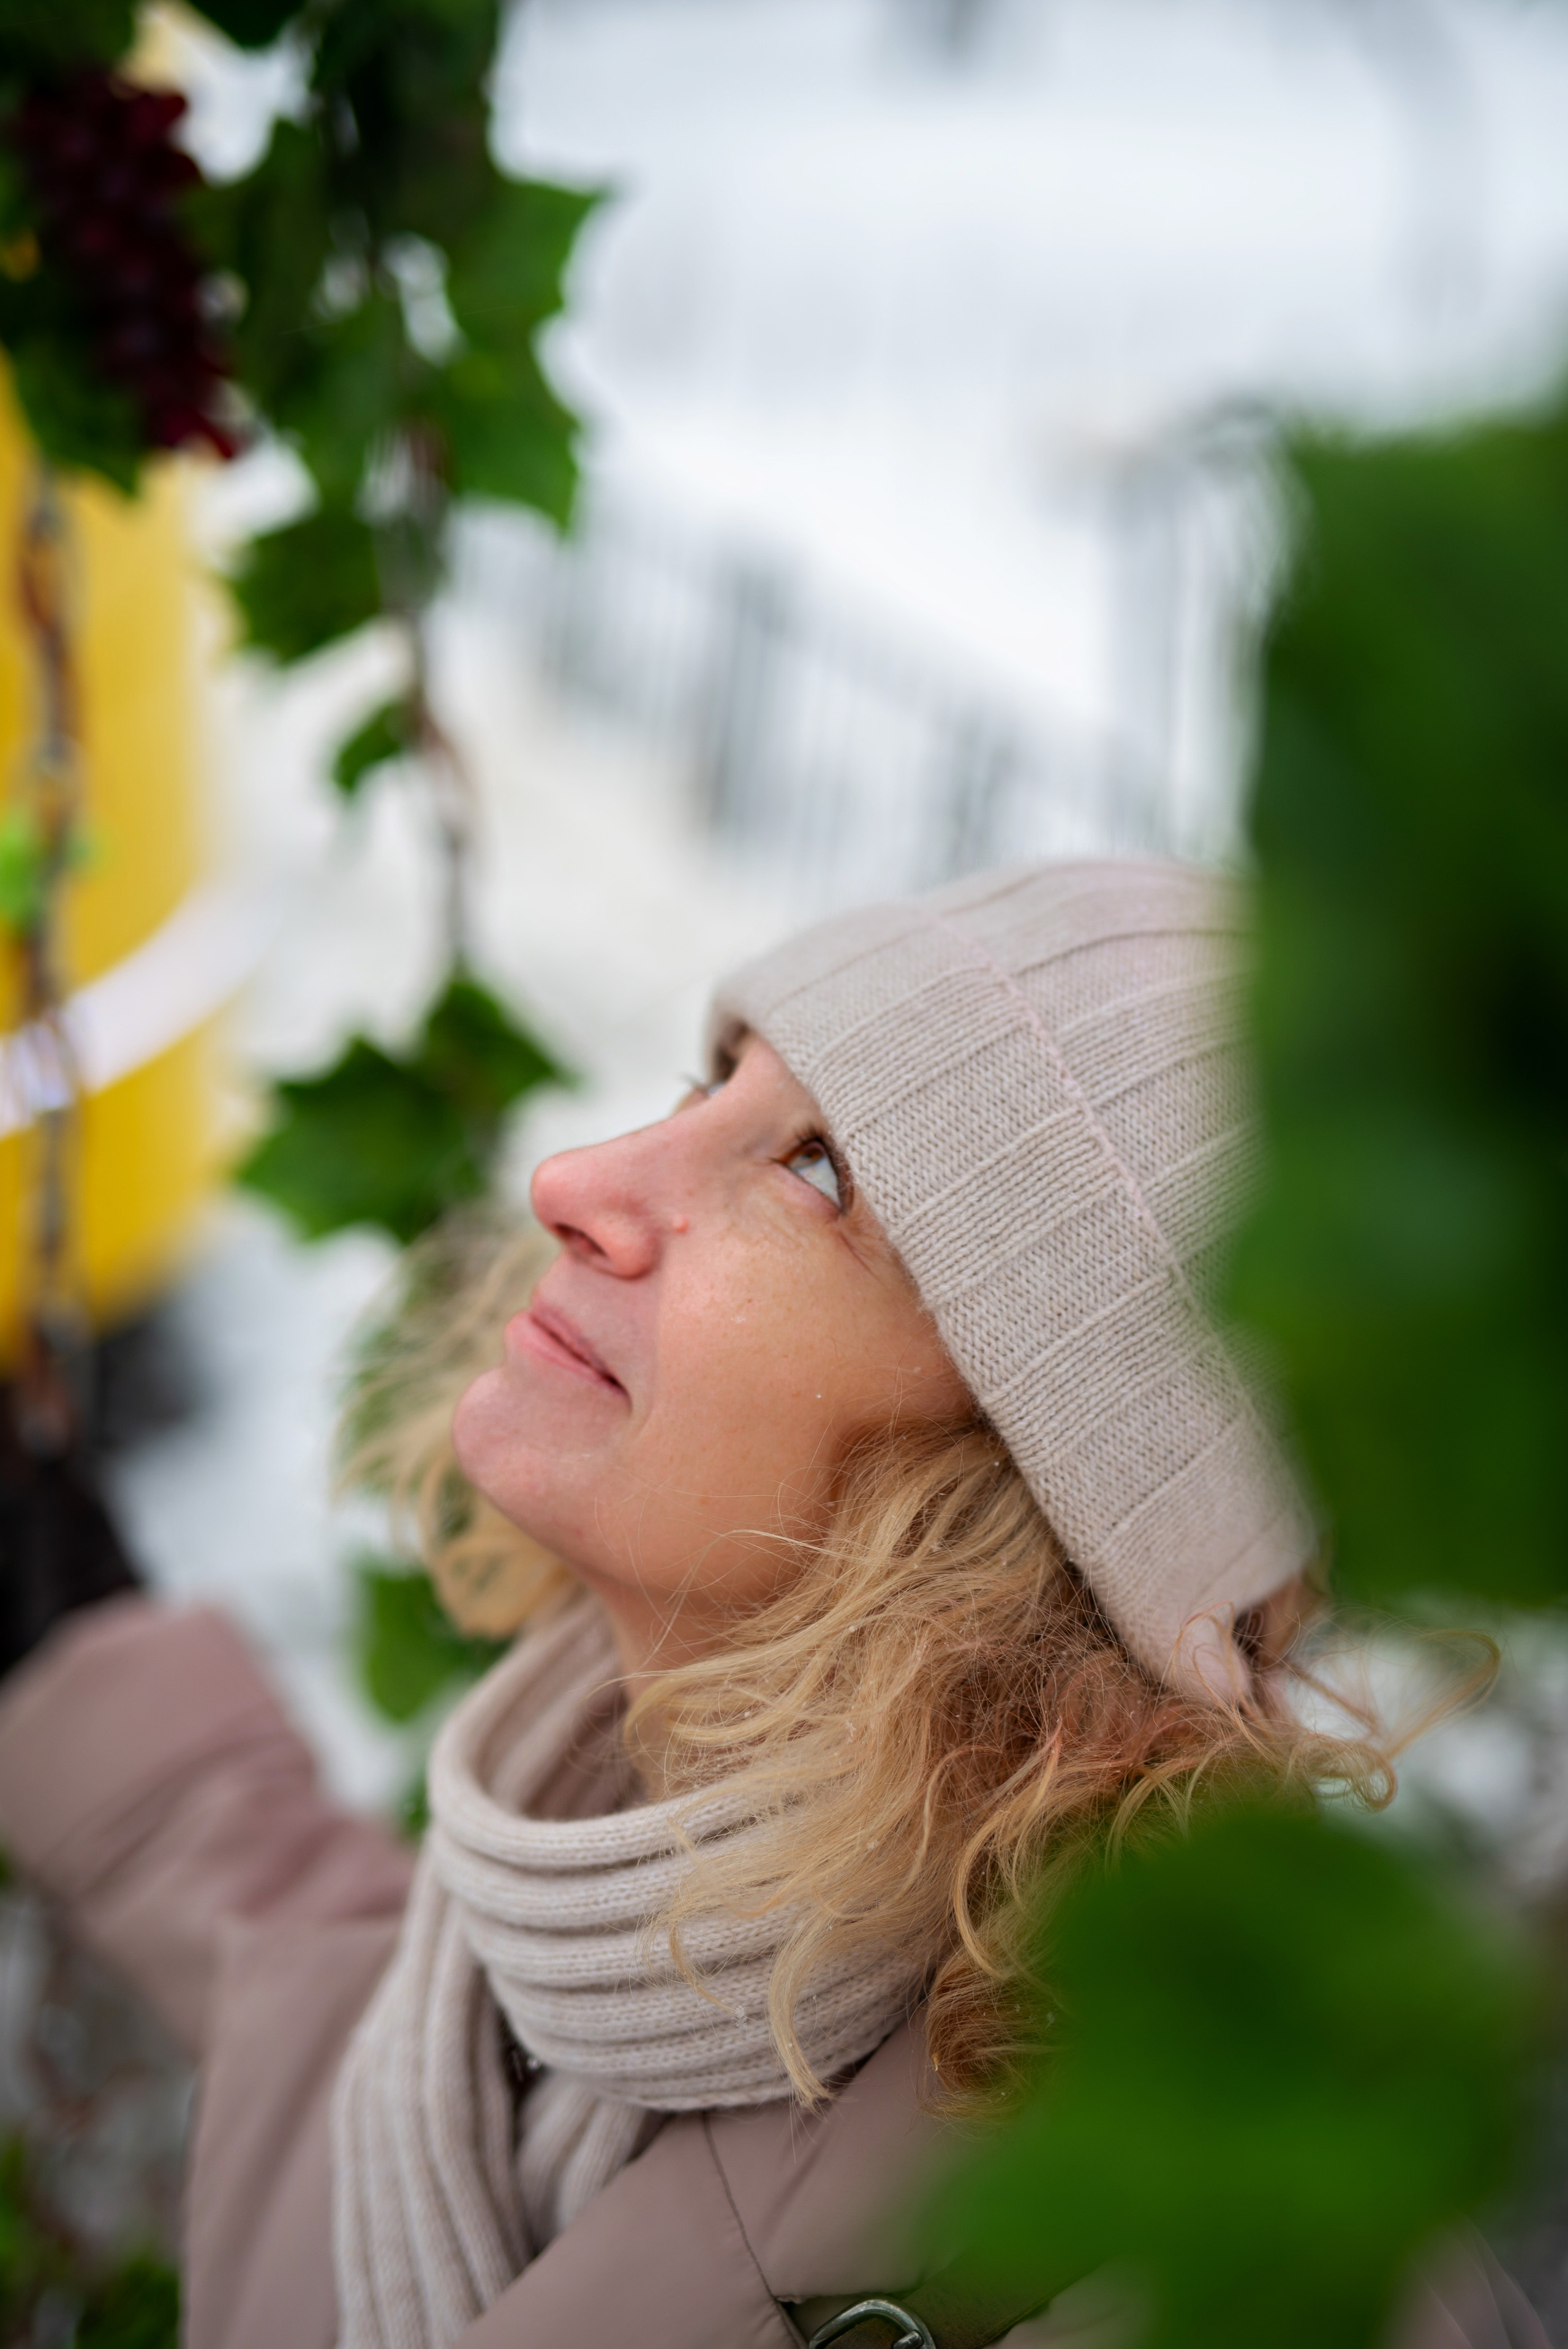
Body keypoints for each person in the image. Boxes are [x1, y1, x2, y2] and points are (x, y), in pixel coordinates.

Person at [0, 861, 1544, 2349]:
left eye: (815, 1174)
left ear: (1024, 1503)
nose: (574, 1181)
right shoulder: (569, 1910)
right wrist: (85, 1662)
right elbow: (396, 2070)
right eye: (707, 1087)